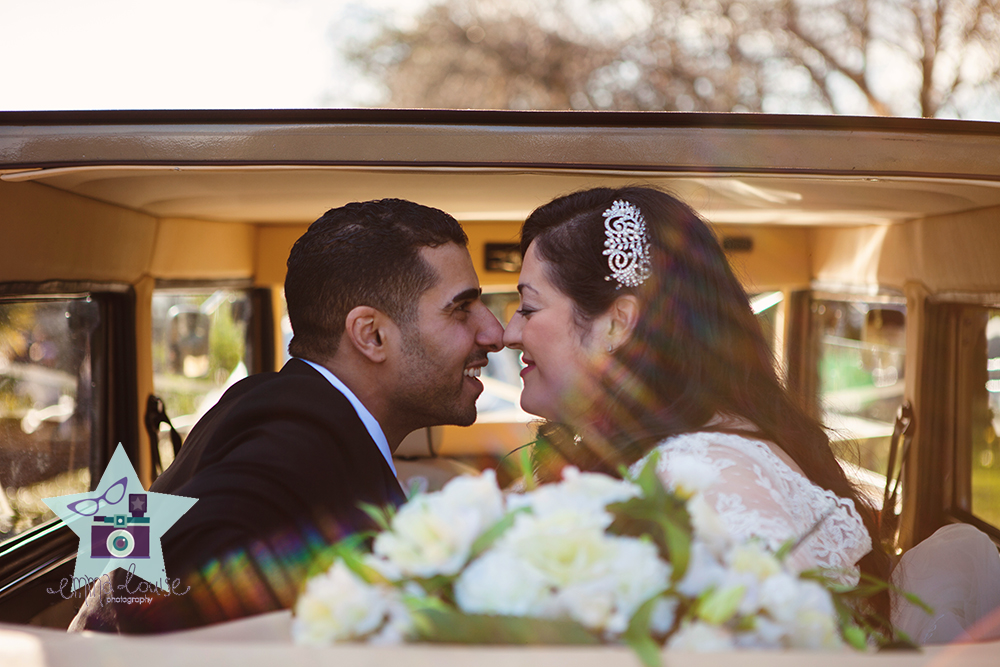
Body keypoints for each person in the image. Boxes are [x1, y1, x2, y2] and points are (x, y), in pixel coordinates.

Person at [71, 198, 504, 633]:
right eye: (461, 308)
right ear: (371, 335)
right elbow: (161, 591)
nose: (495, 333)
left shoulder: (275, 405)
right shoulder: (296, 441)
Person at [501, 186, 894, 625]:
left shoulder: (704, 474)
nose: (507, 333)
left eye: (528, 308)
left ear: (617, 323)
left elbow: (773, 640)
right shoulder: (667, 454)